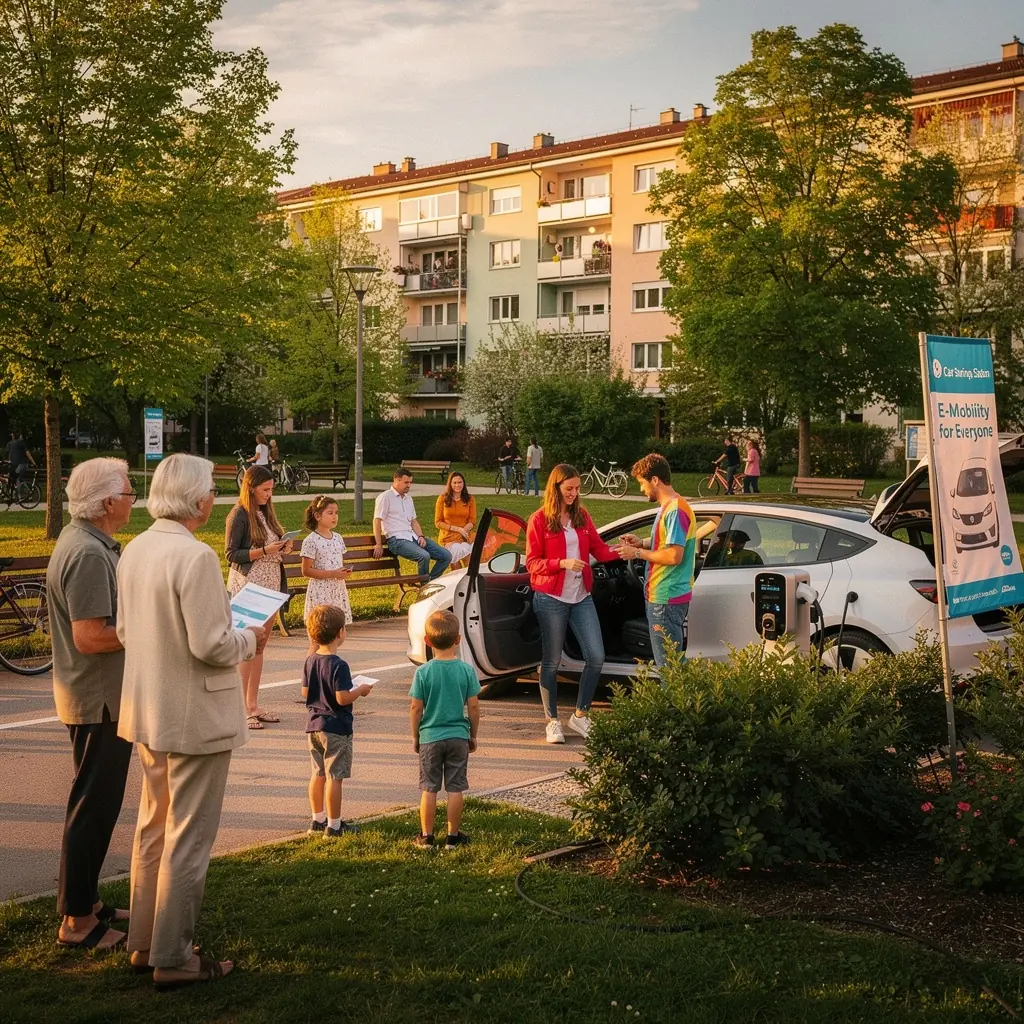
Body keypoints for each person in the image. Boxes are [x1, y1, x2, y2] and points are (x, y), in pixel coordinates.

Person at [116, 453, 269, 988]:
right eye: (210, 489)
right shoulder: (196, 557)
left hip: (148, 707)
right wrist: (251, 636)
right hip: (194, 713)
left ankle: (144, 941)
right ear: (195, 498)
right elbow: (211, 643)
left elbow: (124, 632)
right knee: (189, 838)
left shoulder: (135, 548)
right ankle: (174, 956)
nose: (214, 497)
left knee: (152, 827)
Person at [47, 458, 136, 950]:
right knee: (92, 808)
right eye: (128, 493)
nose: (131, 500)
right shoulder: (87, 553)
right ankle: (77, 920)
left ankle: (85, 900)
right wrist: (145, 626)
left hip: (96, 696)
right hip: (98, 700)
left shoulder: (88, 542)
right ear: (106, 503)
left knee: (95, 805)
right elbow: (90, 636)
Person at [525, 463, 619, 743]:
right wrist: (561, 563)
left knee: (596, 656)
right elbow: (532, 563)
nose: (575, 494)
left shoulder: (582, 516)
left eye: (577, 489)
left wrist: (627, 551)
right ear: (556, 488)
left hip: (581, 597)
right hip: (550, 598)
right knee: (551, 661)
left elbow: (600, 550)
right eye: (569, 489)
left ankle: (580, 716)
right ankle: (552, 721)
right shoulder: (540, 519)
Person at [225, 466, 294, 729]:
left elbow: (272, 547)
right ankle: (241, 709)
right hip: (250, 586)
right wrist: (264, 550)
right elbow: (231, 554)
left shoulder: (265, 513)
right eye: (265, 490)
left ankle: (253, 704)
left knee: (261, 646)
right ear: (251, 488)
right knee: (246, 646)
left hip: (271, 585)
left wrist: (284, 546)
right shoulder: (238, 515)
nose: (269, 494)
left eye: (271, 490)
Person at [615, 454, 697, 668]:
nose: (641, 490)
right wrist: (642, 542)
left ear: (654, 480)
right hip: (667, 595)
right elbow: (668, 541)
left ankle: (670, 702)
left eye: (642, 483)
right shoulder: (673, 506)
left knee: (667, 666)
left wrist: (636, 554)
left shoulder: (675, 510)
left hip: (665, 596)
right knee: (672, 662)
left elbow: (673, 555)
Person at [409, 610, 480, 849]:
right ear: (458, 639)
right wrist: (473, 734)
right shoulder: (467, 671)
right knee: (455, 787)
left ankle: (426, 836)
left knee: (429, 788)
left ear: (427, 641)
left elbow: (415, 709)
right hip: (459, 736)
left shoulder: (423, 672)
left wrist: (416, 735)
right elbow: (473, 706)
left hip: (430, 736)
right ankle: (453, 836)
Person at [303, 604, 372, 837]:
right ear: (340, 632)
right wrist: (360, 689)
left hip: (314, 725)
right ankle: (334, 825)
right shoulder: (339, 665)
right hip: (336, 727)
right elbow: (343, 698)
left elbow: (305, 692)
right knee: (335, 777)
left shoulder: (310, 660)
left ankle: (317, 820)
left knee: (318, 774)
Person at [373, 468, 451, 580]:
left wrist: (421, 536)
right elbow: (377, 520)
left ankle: (429, 582)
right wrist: (378, 544)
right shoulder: (385, 497)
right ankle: (424, 586)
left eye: (410, 482)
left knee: (446, 556)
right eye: (406, 482)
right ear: (396, 480)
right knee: (424, 556)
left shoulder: (408, 499)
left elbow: (413, 521)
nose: (409, 485)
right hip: (396, 540)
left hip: (412, 537)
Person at [300, 495, 352, 654]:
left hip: (336, 590)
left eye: (336, 512)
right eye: (330, 513)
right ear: (317, 516)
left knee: (338, 637)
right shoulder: (311, 541)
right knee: (319, 639)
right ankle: (310, 673)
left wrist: (343, 572)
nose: (334, 516)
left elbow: (337, 562)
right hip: (320, 592)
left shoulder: (338, 538)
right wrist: (332, 573)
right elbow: (306, 570)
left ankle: (328, 670)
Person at [434, 472, 476, 565]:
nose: (458, 485)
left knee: (468, 556)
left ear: (464, 483)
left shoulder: (470, 499)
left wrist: (463, 531)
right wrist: (458, 529)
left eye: (460, 482)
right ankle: (457, 579)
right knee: (455, 558)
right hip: (448, 536)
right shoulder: (442, 499)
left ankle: (469, 578)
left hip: (465, 534)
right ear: (450, 484)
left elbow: (472, 521)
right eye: (455, 483)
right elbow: (438, 522)